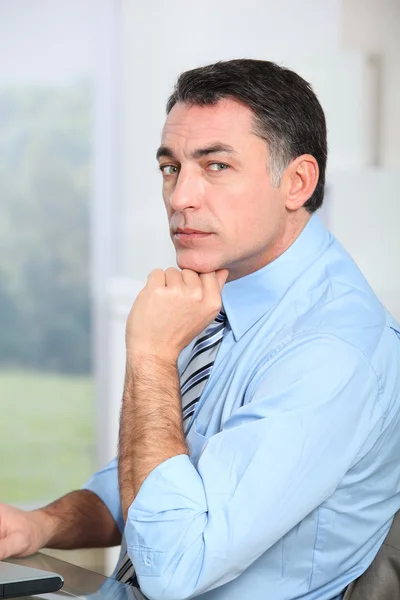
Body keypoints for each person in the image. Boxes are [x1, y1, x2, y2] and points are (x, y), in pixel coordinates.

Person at [1, 59, 400, 600]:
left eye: (215, 166)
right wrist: (41, 524)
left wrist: (150, 357)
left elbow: (174, 569)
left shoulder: (330, 350)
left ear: (297, 181)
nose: (179, 197)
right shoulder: (227, 292)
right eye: (171, 167)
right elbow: (156, 479)